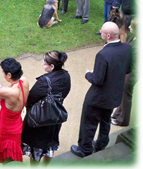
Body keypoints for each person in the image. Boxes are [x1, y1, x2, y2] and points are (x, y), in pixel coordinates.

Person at [71, 22, 132, 157]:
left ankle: (84, 150)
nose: (100, 32)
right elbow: (128, 69)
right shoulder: (128, 48)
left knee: (88, 124)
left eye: (102, 31)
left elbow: (97, 80)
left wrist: (89, 74)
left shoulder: (103, 54)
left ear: (108, 36)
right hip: (113, 95)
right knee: (105, 122)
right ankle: (101, 145)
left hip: (97, 98)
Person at [22, 51, 70, 169]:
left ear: (52, 66)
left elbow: (30, 99)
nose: (42, 64)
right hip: (55, 117)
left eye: (44, 63)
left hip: (40, 120)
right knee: (50, 146)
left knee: (36, 148)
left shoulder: (44, 81)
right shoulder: (66, 76)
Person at [112, 17, 142, 126]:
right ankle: (118, 113)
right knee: (123, 94)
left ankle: (123, 120)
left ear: (137, 30)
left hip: (131, 74)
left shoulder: (137, 47)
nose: (129, 27)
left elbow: (124, 58)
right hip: (131, 71)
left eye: (131, 26)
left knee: (126, 97)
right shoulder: (135, 37)